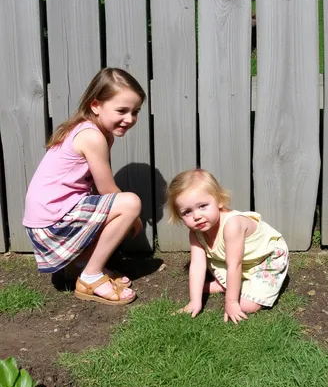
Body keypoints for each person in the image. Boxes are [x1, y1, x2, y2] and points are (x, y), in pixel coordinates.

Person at [23, 67, 145, 306]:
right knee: (130, 203)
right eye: (122, 110)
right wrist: (135, 217)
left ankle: (78, 267)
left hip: (46, 219)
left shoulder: (93, 130)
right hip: (51, 224)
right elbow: (107, 191)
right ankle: (90, 275)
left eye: (135, 112)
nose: (129, 119)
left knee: (112, 208)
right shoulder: (93, 136)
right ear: (96, 105)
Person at [167, 169, 289, 324]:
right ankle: (226, 284)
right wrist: (194, 301)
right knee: (218, 272)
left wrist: (231, 302)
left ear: (219, 200)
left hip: (265, 259)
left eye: (203, 206)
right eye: (187, 212)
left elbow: (234, 265)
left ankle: (225, 286)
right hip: (238, 260)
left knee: (247, 305)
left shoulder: (232, 224)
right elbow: (197, 265)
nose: (197, 216)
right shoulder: (195, 232)